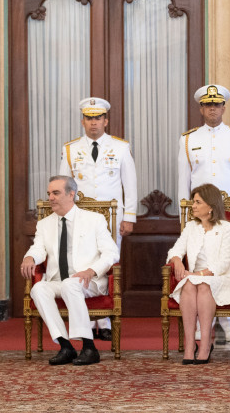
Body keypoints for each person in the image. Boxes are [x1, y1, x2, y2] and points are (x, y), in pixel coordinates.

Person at [177, 84, 230, 342]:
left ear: (224, 107)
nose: (213, 108)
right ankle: (204, 321)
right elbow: (183, 181)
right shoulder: (188, 139)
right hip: (199, 211)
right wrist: (184, 215)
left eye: (217, 104)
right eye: (208, 105)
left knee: (228, 262)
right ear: (201, 109)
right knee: (200, 261)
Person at [59, 97, 137, 341]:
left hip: (110, 219)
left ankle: (104, 321)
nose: (94, 123)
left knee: (107, 264)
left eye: (98, 118)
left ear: (106, 120)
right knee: (80, 264)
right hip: (79, 217)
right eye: (89, 118)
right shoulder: (70, 149)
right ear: (82, 121)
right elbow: (63, 185)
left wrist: (130, 216)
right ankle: (84, 319)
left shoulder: (120, 147)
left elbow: (130, 185)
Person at [20, 176, 119, 366]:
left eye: (56, 193)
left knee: (70, 285)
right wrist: (29, 257)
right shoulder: (44, 224)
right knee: (38, 289)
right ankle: (66, 346)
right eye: (49, 193)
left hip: (89, 281)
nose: (51, 198)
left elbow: (111, 253)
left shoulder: (94, 220)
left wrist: (91, 271)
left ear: (71, 194)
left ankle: (89, 348)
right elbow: (38, 248)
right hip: (58, 280)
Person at [166, 183, 230, 364]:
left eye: (198, 202)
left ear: (210, 205)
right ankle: (189, 345)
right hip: (194, 278)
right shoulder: (191, 227)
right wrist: (177, 260)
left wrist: (199, 275)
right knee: (189, 285)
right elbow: (175, 250)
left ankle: (205, 344)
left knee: (202, 284)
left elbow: (224, 263)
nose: (193, 206)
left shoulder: (227, 228)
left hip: (224, 276)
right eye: (193, 202)